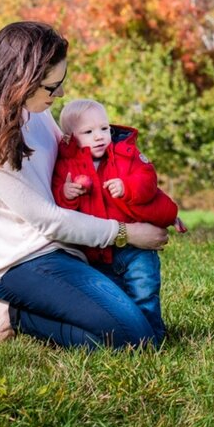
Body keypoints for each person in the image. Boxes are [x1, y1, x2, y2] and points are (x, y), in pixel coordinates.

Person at [0, 22, 169, 349]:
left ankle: (28, 312)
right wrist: (127, 232)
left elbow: (71, 160)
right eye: (53, 87)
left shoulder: (29, 107)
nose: (61, 94)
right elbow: (48, 220)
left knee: (138, 320)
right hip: (22, 262)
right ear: (21, 81)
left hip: (66, 246)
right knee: (137, 340)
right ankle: (14, 314)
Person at [53, 98, 184, 339]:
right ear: (71, 137)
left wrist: (128, 187)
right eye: (88, 132)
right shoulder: (66, 165)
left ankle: (153, 336)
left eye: (104, 128)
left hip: (136, 248)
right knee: (114, 297)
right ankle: (127, 335)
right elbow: (59, 209)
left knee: (145, 290)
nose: (99, 136)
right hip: (97, 252)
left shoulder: (126, 154)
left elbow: (148, 182)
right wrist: (68, 194)